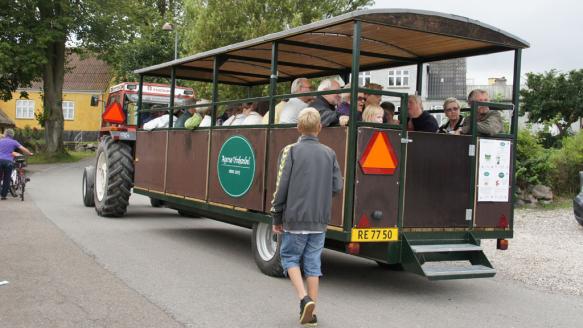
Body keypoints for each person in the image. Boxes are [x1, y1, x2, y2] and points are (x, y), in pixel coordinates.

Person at [271, 107, 343, 326]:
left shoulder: (290, 151)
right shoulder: (329, 153)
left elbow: (281, 186)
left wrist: (276, 215)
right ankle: (312, 312)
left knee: (289, 258)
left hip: (295, 217)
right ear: (320, 128)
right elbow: (337, 186)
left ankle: (304, 299)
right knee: (313, 264)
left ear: (298, 128)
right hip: (319, 220)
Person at [0, 129, 33, 200]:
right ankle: (3, 196)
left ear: (5, 134)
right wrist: (29, 153)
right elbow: (23, 149)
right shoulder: (14, 142)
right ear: (12, 135)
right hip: (8, 162)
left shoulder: (1, 141)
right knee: (7, 178)